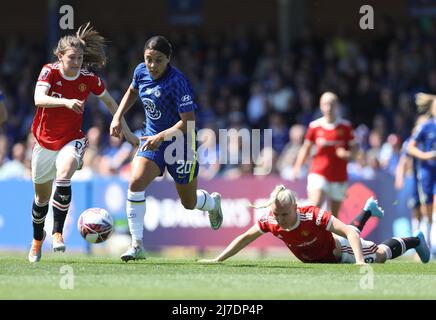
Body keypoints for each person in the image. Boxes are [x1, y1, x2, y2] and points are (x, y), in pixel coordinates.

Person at [28, 23, 138, 263]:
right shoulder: (50, 71)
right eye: (72, 58)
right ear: (60, 56)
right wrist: (67, 102)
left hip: (72, 138)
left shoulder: (88, 78)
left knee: (65, 172)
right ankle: (38, 240)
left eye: (79, 57)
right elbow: (38, 98)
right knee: (40, 200)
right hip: (44, 142)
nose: (77, 62)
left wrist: (126, 131)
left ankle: (57, 233)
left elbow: (110, 102)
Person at [110, 35, 223, 262]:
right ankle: (137, 245)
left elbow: (188, 123)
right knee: (135, 181)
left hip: (180, 144)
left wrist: (162, 136)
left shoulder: (178, 81)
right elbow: (132, 92)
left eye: (158, 60)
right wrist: (117, 116)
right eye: (149, 59)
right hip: (152, 140)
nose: (152, 65)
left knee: (188, 203)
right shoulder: (141, 71)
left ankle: (212, 203)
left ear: (168, 59)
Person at [198, 185, 430, 265]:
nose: (280, 219)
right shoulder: (271, 220)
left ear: (296, 207)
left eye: (285, 214)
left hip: (339, 253)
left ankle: (416, 240)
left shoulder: (312, 215)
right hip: (323, 254)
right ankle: (367, 210)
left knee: (379, 255)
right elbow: (244, 238)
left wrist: (359, 262)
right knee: (355, 237)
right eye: (277, 215)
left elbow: (349, 232)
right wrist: (219, 259)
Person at [292, 92, 356, 217]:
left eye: (332, 104)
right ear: (321, 106)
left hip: (339, 175)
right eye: (325, 104)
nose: (329, 107)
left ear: (337, 106)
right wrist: (297, 167)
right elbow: (306, 148)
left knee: (334, 216)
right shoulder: (315, 126)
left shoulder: (346, 127)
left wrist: (346, 154)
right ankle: (310, 235)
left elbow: (355, 151)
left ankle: (329, 236)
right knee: (315, 207)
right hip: (318, 172)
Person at [408, 97, 436, 254]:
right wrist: (426, 156)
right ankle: (427, 243)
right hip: (427, 173)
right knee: (426, 207)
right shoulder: (426, 127)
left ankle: (431, 243)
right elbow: (409, 147)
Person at [395, 115, 430, 234]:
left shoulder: (431, 141)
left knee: (427, 206)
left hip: (428, 178)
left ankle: (427, 236)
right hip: (415, 179)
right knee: (415, 206)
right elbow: (403, 162)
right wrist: (400, 177)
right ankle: (417, 236)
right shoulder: (410, 143)